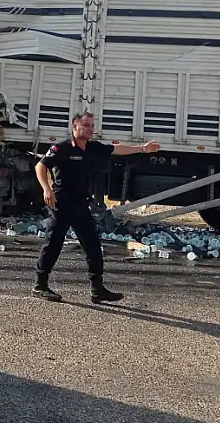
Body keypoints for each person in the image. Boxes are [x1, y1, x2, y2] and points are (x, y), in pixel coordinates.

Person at [32, 111, 159, 303]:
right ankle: (40, 286)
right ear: (75, 127)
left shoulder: (93, 148)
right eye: (87, 126)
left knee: (93, 246)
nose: (91, 129)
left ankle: (97, 289)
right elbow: (40, 166)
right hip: (62, 203)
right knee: (53, 244)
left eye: (92, 126)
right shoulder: (62, 148)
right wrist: (46, 189)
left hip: (82, 204)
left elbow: (116, 149)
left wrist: (142, 149)